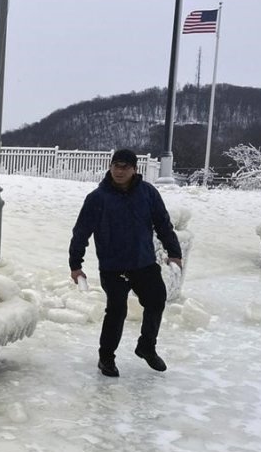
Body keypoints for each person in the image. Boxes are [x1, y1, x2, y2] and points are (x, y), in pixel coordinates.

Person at [69, 149, 182, 377]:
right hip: (113, 266)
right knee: (116, 310)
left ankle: (146, 346)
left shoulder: (147, 193)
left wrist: (174, 252)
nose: (119, 171)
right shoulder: (97, 198)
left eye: (125, 167)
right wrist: (75, 265)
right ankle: (106, 358)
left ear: (134, 170)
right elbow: (81, 232)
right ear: (110, 167)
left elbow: (163, 224)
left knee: (157, 300)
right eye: (116, 166)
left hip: (143, 262)